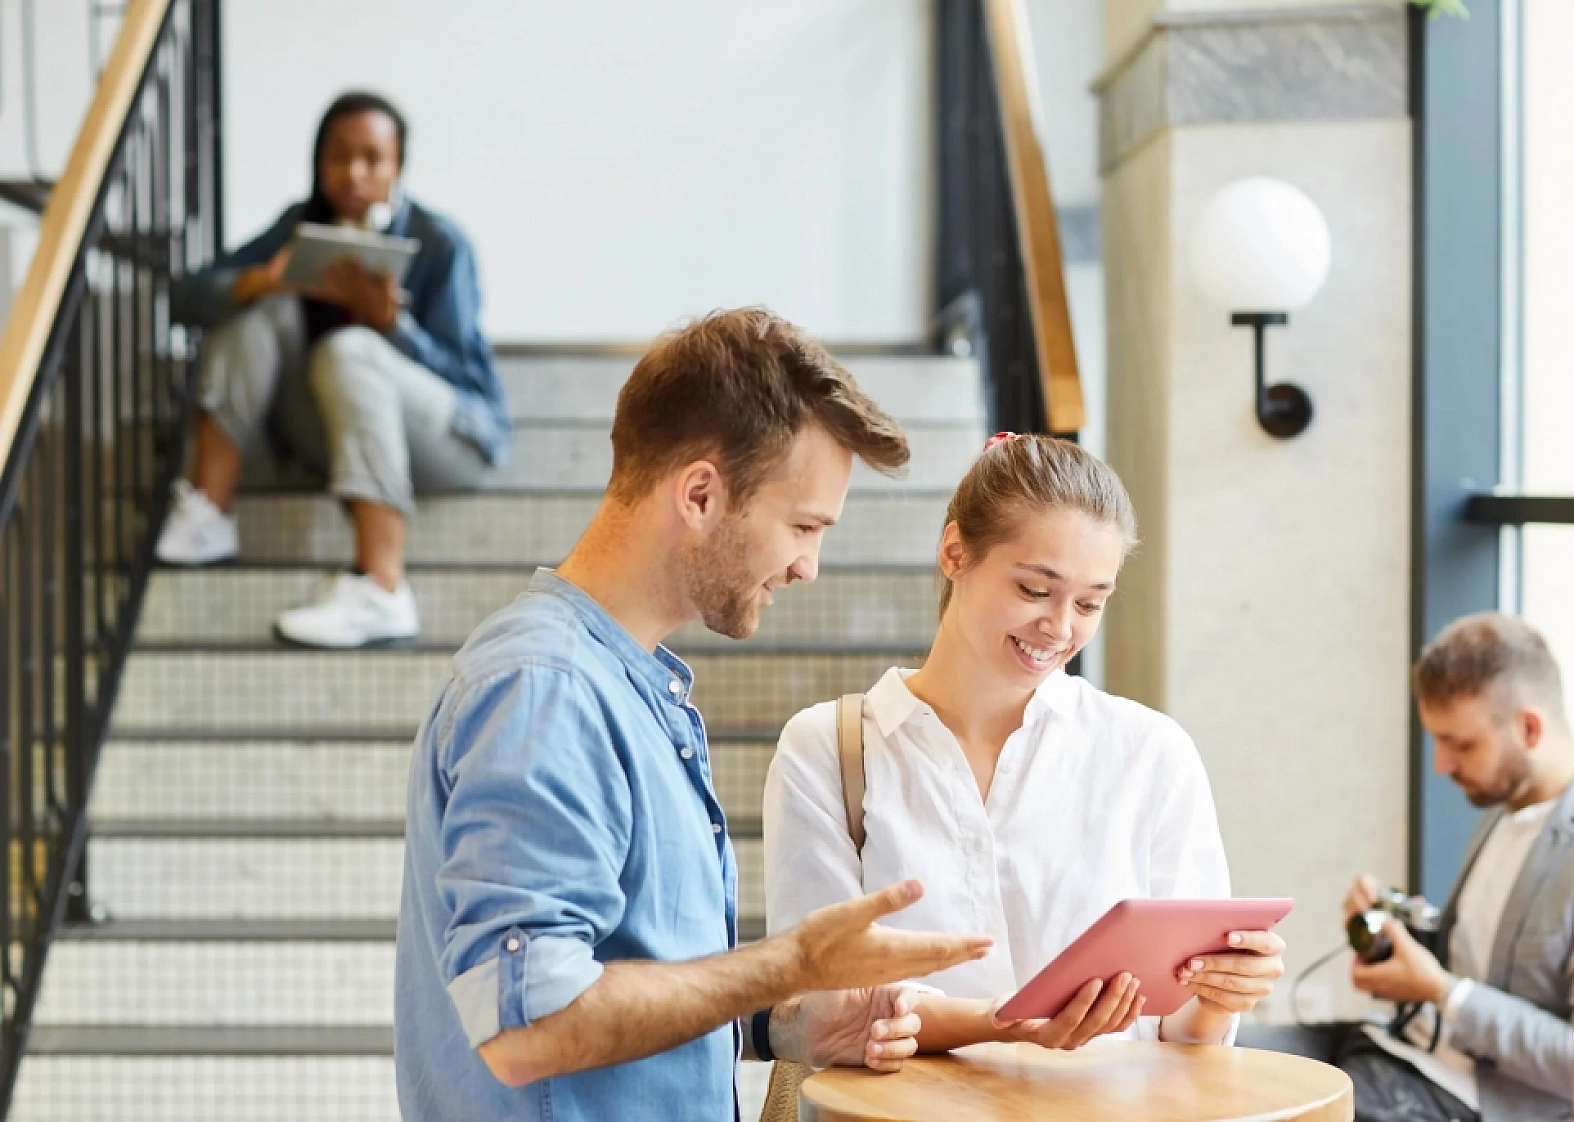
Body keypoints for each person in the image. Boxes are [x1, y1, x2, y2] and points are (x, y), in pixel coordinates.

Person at [394, 309, 994, 1121]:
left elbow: (632, 976)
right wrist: (787, 965)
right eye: (804, 526)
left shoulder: (621, 682)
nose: (809, 566)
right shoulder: (547, 688)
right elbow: (527, 1025)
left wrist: (787, 1025)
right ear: (702, 493)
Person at [764, 433, 1286, 1056]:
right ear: (955, 552)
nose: (1060, 628)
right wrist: (1006, 1022)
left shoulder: (1150, 754)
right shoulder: (829, 750)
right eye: (1035, 590)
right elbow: (812, 1009)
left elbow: (1182, 1031)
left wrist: (1217, 998)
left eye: (1091, 603)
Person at [160, 90, 509, 648]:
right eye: (338, 156)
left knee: (349, 349)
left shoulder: (441, 244)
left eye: (372, 158)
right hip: (335, 437)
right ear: (318, 165)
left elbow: (467, 378)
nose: (354, 173)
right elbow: (183, 299)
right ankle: (207, 515)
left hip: (451, 441)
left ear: (397, 167)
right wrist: (259, 280)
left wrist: (393, 329)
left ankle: (381, 589)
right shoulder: (299, 226)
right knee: (255, 305)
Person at [1240, 612, 1574, 1122]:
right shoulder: (1503, 810)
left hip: (1467, 1096)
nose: (1441, 765)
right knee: (1215, 1059)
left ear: (1530, 728)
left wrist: (1441, 991)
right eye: (1437, 741)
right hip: (1394, 1045)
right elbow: (1485, 956)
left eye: (1461, 744)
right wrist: (1399, 932)